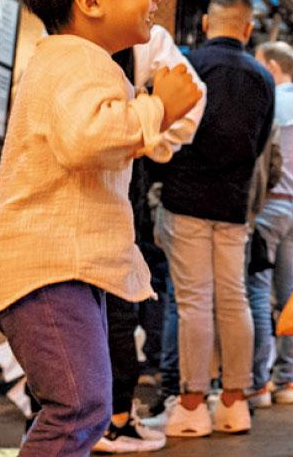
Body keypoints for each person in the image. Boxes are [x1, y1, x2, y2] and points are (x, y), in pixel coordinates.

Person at [0, 0, 203, 456]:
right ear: (91, 1)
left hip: (60, 267)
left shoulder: (80, 62)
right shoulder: (76, 61)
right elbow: (87, 138)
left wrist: (159, 116)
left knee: (76, 406)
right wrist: (157, 107)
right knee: (79, 406)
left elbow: (103, 141)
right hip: (47, 267)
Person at [156, 0, 276, 438]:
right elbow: (260, 145)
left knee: (193, 302)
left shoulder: (186, 67)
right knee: (234, 299)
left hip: (185, 197)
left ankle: (191, 405)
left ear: (207, 23)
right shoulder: (263, 78)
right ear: (248, 29)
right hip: (234, 203)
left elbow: (164, 128)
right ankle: (234, 402)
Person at [98, 26, 209, 453]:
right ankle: (110, 418)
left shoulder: (57, 47)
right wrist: (153, 137)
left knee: (87, 304)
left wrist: (148, 136)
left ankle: (99, 417)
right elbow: (191, 97)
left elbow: (190, 95)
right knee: (114, 301)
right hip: (111, 193)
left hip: (92, 196)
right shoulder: (145, 39)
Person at [247, 40, 293, 408]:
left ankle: (258, 382)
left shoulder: (272, 103)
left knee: (257, 291)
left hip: (268, 204)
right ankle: (287, 378)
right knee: (289, 295)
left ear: (271, 67)